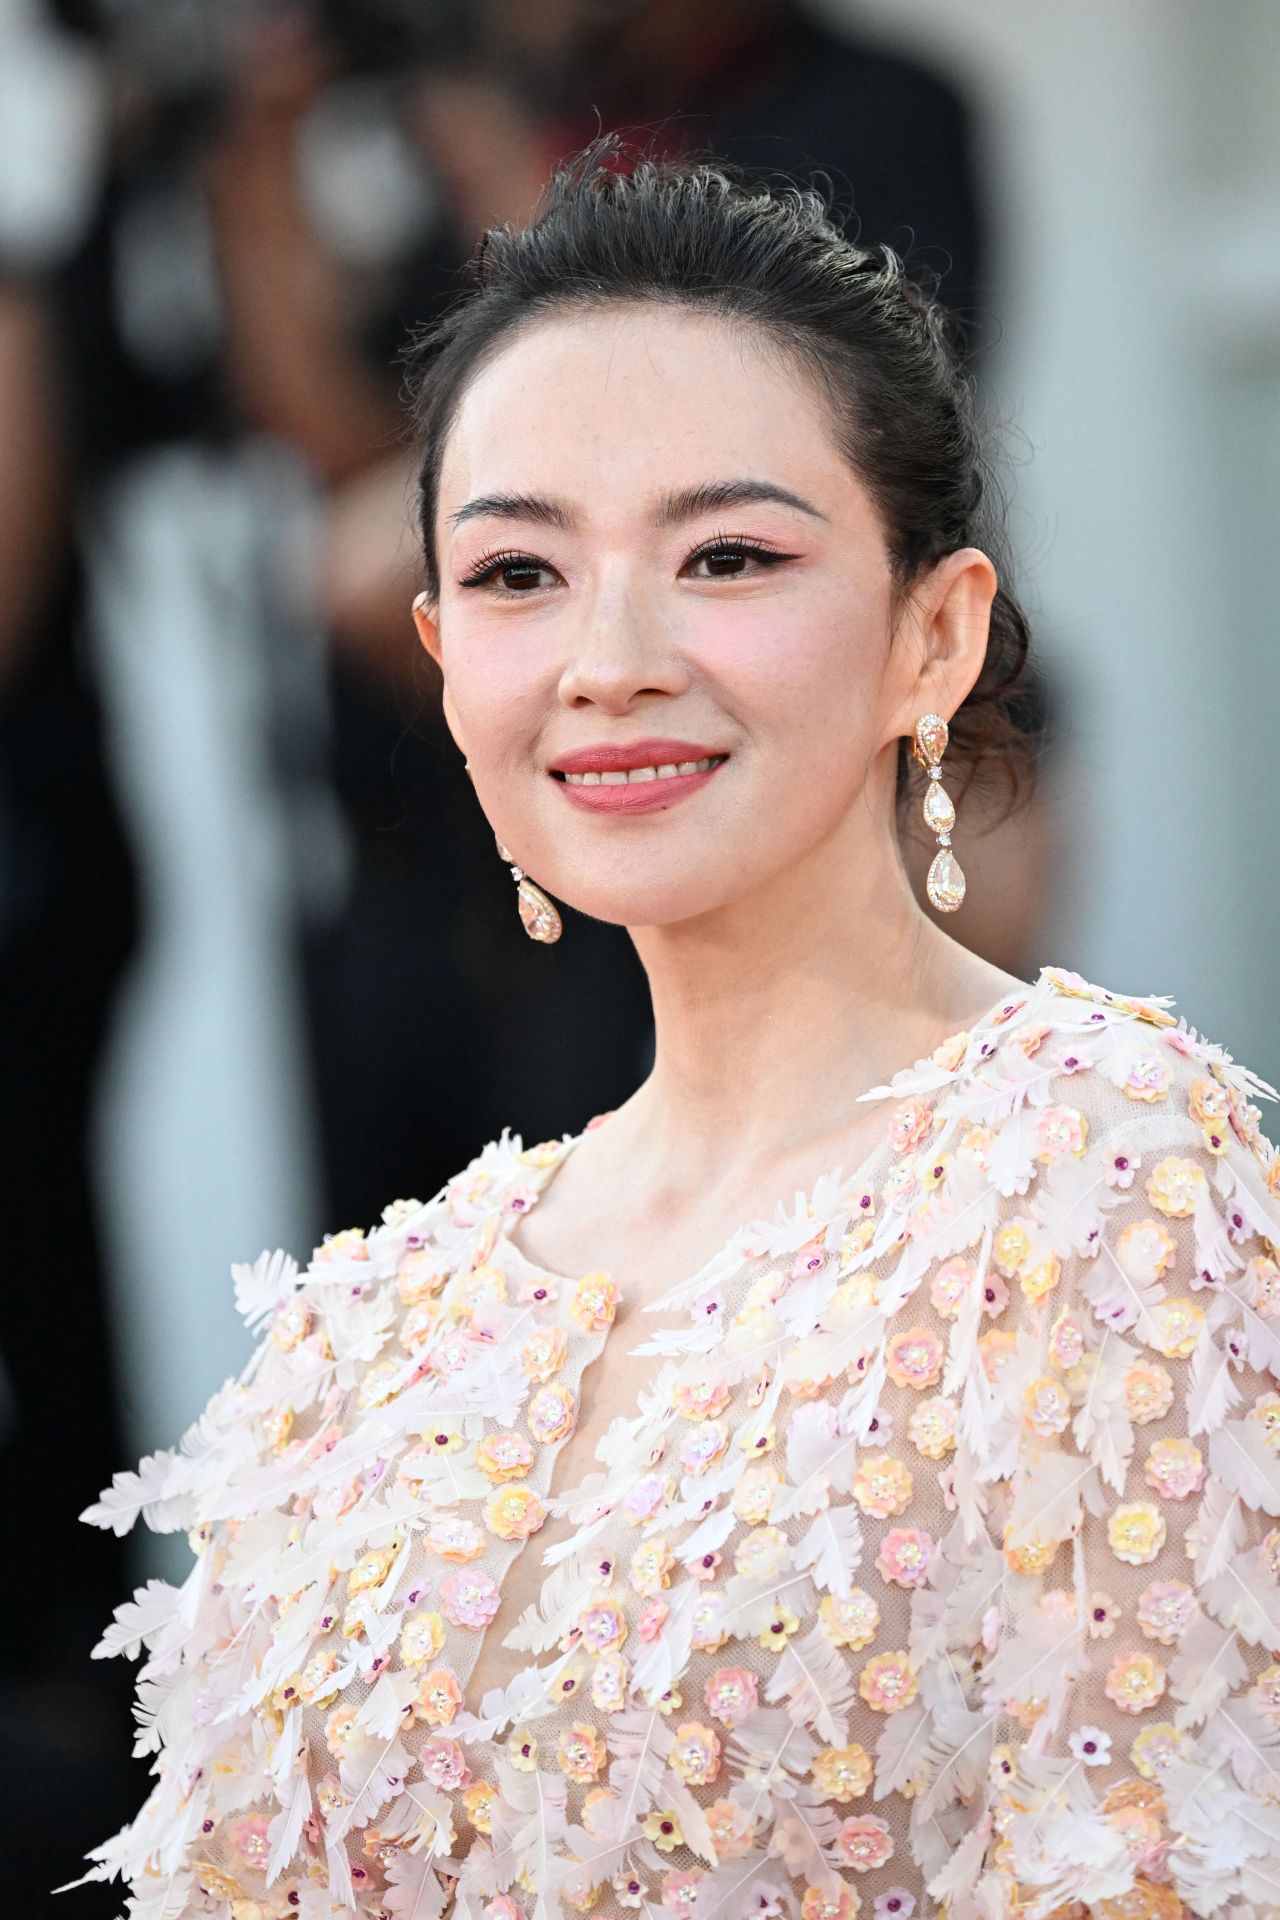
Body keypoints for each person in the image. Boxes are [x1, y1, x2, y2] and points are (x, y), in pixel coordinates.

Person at [67, 138, 1280, 1920]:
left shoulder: (1105, 1179)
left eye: (725, 555)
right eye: (515, 576)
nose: (608, 656)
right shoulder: (373, 1329)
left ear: (933, 637)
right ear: (440, 656)